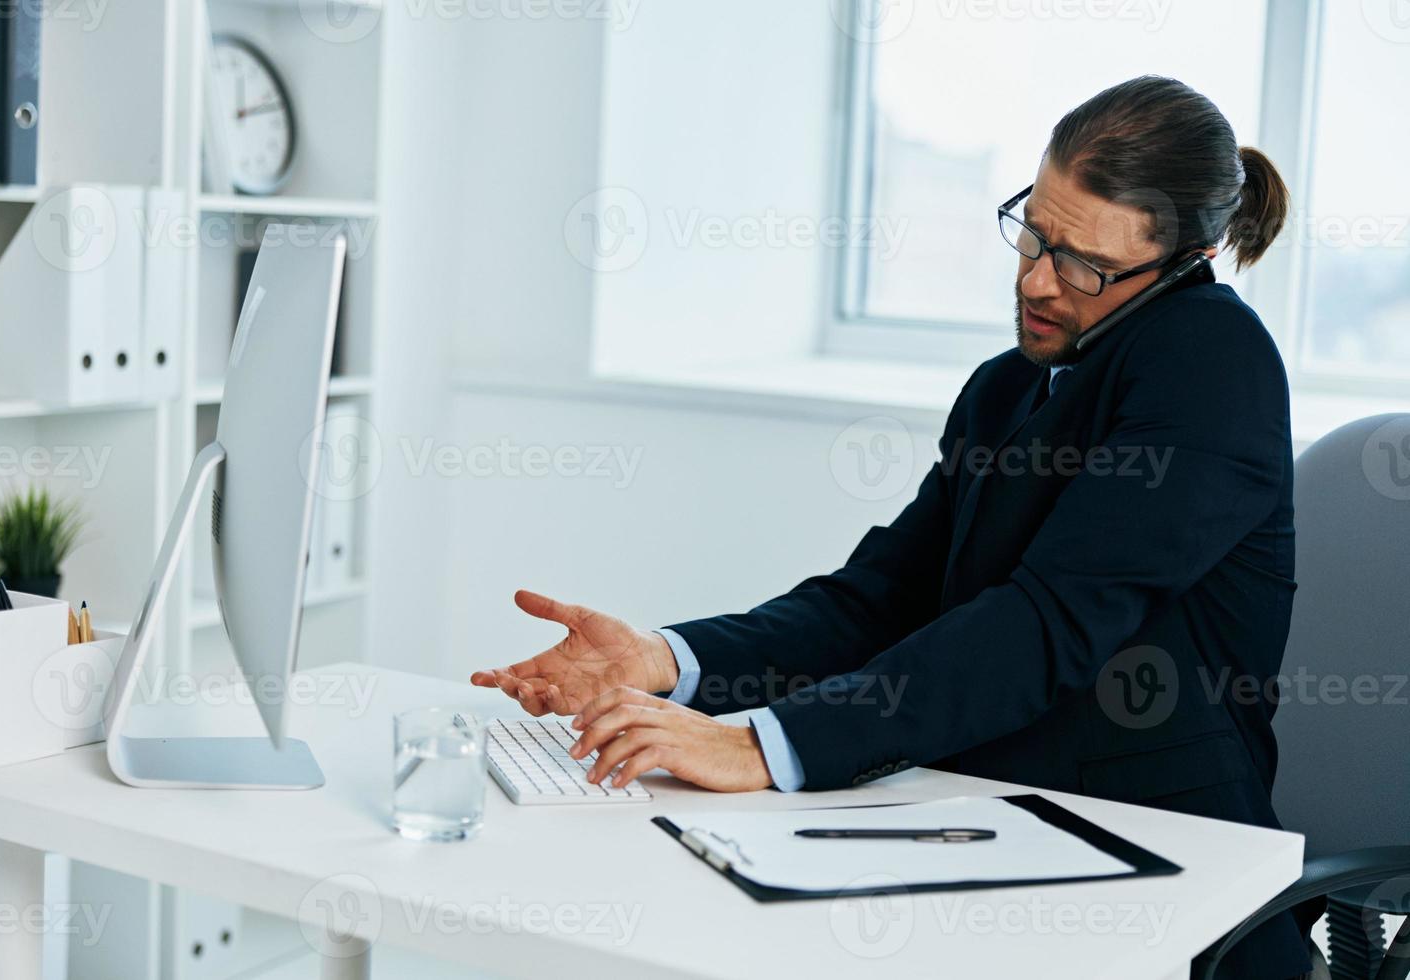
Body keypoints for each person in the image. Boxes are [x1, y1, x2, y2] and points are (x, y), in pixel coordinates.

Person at [473, 76, 1311, 979]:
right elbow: (879, 602)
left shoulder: (1213, 361)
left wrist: (762, 744)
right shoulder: (1010, 387)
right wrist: (671, 660)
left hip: (1160, 862)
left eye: (1083, 266)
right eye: (1033, 232)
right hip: (982, 819)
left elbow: (1047, 623)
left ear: (1188, 259)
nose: (1035, 279)